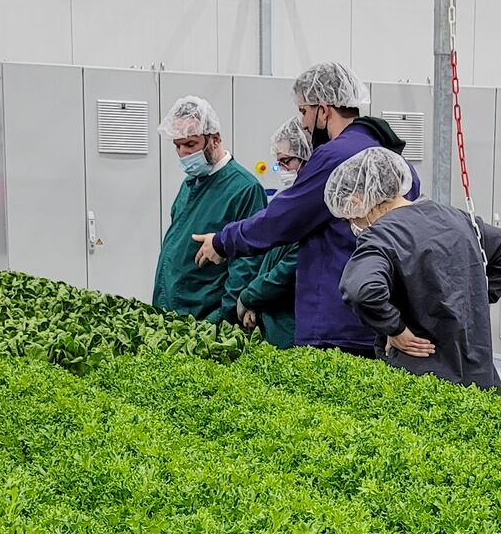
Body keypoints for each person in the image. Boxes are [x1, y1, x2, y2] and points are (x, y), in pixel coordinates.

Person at [191, 62, 419, 357]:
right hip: (379, 318)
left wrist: (223, 241)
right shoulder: (396, 162)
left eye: (303, 111)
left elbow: (282, 219)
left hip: (335, 323)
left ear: (324, 110)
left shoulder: (333, 157)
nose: (303, 123)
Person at [326, 147, 501, 393]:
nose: (353, 224)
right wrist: (474, 294)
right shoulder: (456, 217)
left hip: (421, 378)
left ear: (357, 202)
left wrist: (396, 329)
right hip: (479, 376)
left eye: (350, 217)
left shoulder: (380, 235)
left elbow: (361, 290)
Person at [151, 96, 265, 322]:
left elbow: (247, 264)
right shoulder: (191, 183)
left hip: (203, 317)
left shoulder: (244, 189)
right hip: (171, 310)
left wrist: (222, 317)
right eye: (178, 145)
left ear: (215, 139)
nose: (183, 153)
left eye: (191, 144)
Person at [224, 119, 311, 348]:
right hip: (272, 324)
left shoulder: (312, 212)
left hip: (293, 329)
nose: (281, 170)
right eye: (278, 163)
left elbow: (287, 270)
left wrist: (249, 297)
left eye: (286, 162)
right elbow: (270, 261)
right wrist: (256, 303)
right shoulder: (291, 207)